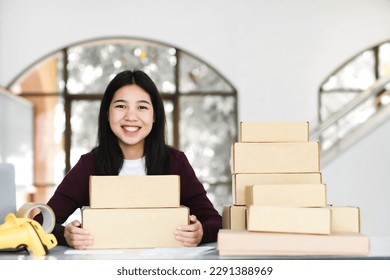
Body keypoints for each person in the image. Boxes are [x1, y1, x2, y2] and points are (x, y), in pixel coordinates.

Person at [34, 70, 222, 249]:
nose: (131, 116)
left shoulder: (175, 162)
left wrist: (201, 232)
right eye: (121, 106)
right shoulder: (89, 165)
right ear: (107, 114)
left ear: (154, 115)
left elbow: (215, 221)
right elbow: (41, 223)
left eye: (142, 107)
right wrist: (67, 235)